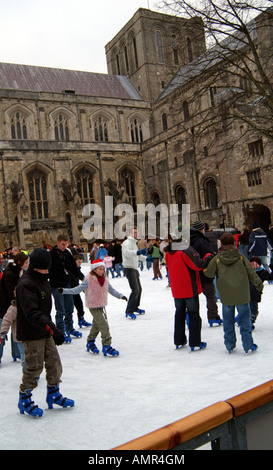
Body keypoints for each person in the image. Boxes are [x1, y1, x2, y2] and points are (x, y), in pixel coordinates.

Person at [16, 248, 74, 417]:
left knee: (54, 363)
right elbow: (32, 313)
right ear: (34, 266)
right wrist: (53, 328)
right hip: (32, 332)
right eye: (44, 268)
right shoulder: (26, 284)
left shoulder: (43, 279)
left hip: (44, 329)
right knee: (34, 367)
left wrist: (50, 328)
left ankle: (53, 394)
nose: (47, 271)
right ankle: (24, 398)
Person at [204, 233, 263, 354]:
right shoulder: (241, 257)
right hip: (242, 294)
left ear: (222, 245)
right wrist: (259, 285)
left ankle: (230, 344)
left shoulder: (218, 259)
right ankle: (248, 344)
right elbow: (252, 273)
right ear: (234, 244)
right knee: (245, 320)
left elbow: (208, 274)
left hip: (227, 296)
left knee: (228, 321)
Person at [59, 259, 127, 357]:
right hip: (93, 306)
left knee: (96, 327)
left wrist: (121, 296)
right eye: (100, 269)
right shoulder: (89, 280)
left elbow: (112, 290)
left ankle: (90, 342)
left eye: (103, 269)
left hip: (101, 305)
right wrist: (64, 291)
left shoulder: (105, 280)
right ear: (94, 270)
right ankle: (107, 346)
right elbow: (76, 290)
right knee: (104, 326)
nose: (103, 271)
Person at [165, 240, 213, 351]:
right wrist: (208, 256)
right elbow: (198, 265)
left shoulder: (169, 252)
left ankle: (179, 340)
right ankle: (195, 342)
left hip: (177, 289)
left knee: (179, 314)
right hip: (189, 287)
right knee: (194, 314)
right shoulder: (185, 250)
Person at [49, 234, 85, 343]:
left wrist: (83, 278)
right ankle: (61, 331)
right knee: (61, 309)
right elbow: (47, 270)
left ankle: (69, 327)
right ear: (58, 243)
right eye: (63, 244)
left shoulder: (67, 254)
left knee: (69, 307)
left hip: (66, 284)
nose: (65, 246)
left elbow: (74, 268)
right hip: (56, 286)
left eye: (66, 244)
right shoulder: (51, 255)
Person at [190, 221, 222, 327]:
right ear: (202, 230)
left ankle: (190, 317)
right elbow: (210, 255)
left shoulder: (185, 241)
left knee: (192, 297)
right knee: (210, 295)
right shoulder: (202, 241)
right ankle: (213, 316)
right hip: (203, 272)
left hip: (191, 273)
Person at [0, 252, 29, 365]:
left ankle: (16, 353)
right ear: (19, 262)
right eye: (26, 262)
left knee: (16, 330)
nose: (27, 264)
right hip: (4, 307)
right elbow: (12, 292)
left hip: (15, 305)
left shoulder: (20, 271)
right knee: (2, 331)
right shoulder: (9, 274)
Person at [122, 227, 146, 319]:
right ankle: (129, 310)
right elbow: (127, 253)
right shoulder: (126, 243)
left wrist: (146, 259)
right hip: (129, 268)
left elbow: (137, 255)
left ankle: (135, 307)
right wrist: (138, 251)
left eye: (137, 232)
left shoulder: (133, 243)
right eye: (135, 232)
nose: (137, 234)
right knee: (135, 289)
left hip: (134, 268)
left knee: (139, 289)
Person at [247, 256, 273, 328]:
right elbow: (271, 277)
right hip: (255, 293)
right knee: (253, 309)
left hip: (245, 292)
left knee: (247, 307)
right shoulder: (262, 272)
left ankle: (244, 319)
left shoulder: (246, 271)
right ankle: (250, 322)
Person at [70, 253, 91, 328]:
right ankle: (68, 325)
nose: (80, 264)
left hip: (75, 290)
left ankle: (81, 319)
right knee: (69, 309)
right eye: (78, 262)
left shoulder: (77, 270)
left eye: (81, 262)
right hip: (69, 291)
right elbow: (74, 282)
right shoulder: (71, 270)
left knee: (80, 305)